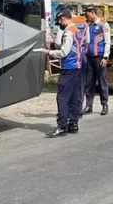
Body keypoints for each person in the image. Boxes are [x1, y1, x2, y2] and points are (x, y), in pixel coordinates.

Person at [42, 8, 83, 138]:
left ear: (63, 19)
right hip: (78, 66)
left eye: (59, 21)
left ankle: (62, 125)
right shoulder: (78, 30)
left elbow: (63, 52)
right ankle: (73, 123)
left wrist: (49, 52)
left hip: (69, 67)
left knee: (62, 97)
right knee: (75, 96)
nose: (59, 23)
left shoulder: (68, 32)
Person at [83, 5, 111, 116]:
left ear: (93, 13)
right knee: (89, 83)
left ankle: (105, 105)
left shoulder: (104, 25)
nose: (86, 16)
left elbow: (107, 42)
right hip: (89, 57)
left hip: (99, 57)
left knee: (102, 82)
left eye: (87, 13)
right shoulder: (87, 25)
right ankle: (88, 106)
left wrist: (105, 57)